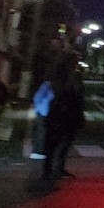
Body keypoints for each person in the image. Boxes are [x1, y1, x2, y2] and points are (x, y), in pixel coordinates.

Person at [41, 52, 84, 180]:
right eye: (76, 61)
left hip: (61, 111)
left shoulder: (64, 75)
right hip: (64, 112)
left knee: (57, 143)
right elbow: (74, 94)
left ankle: (52, 169)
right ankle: (51, 170)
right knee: (58, 142)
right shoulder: (67, 76)